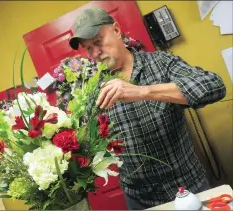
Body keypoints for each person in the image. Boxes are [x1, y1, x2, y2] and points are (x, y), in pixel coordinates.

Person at [68, 8, 226, 210]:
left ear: (116, 30)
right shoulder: (92, 93)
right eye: (88, 48)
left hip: (189, 189)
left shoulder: (161, 63)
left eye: (98, 42)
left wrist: (144, 91)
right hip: (138, 200)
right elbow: (86, 144)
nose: (95, 53)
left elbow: (214, 86)